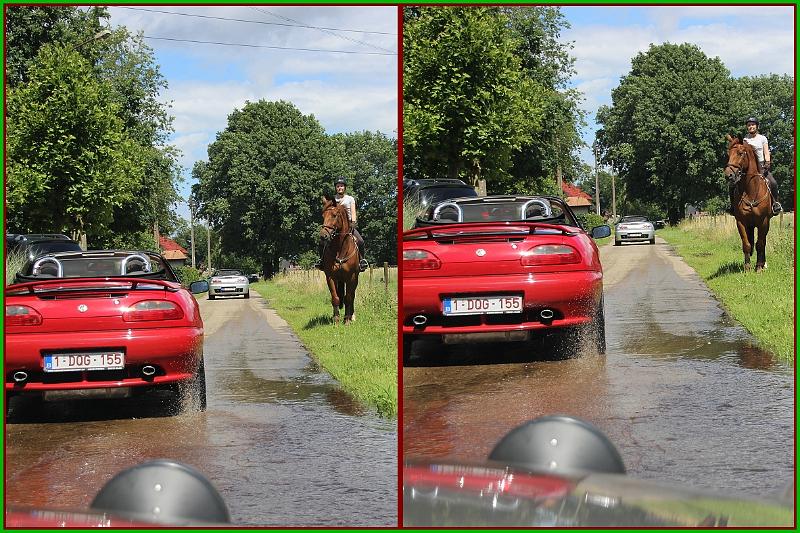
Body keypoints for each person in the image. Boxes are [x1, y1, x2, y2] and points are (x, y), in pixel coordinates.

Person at [318, 177, 369, 272]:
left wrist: (353, 223)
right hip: (334, 226)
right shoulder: (333, 200)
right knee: (322, 242)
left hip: (348, 226)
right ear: (336, 188)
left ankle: (362, 261)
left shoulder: (350, 199)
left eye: (341, 186)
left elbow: (353, 212)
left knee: (361, 241)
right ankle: (321, 261)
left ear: (344, 187)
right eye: (338, 186)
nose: (339, 188)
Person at [737, 117, 781, 216]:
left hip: (761, 166)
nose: (750, 127)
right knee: (734, 184)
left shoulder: (762, 138)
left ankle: (775, 203)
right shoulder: (745, 140)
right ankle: (733, 206)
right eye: (748, 125)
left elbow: (766, 152)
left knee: (773, 182)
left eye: (752, 124)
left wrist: (768, 162)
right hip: (748, 169)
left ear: (757, 126)